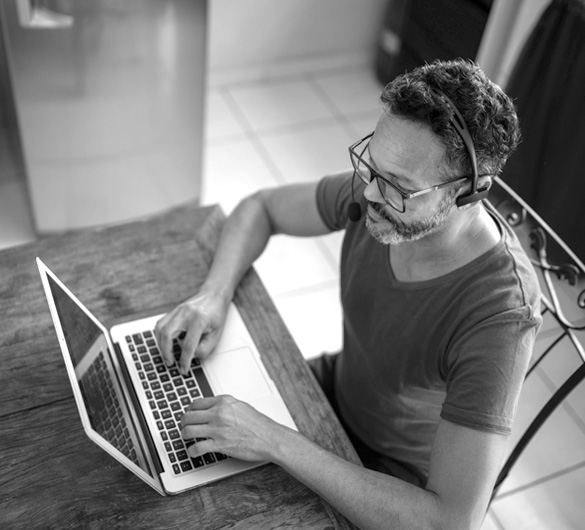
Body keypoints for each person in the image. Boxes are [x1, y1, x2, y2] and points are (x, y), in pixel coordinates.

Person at [155, 59, 542, 530]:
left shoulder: (500, 314)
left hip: (395, 480)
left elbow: (448, 521)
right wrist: (213, 295)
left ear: (470, 192)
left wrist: (274, 440)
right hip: (333, 393)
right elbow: (260, 209)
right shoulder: (375, 193)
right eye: (372, 165)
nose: (372, 194)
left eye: (400, 187)